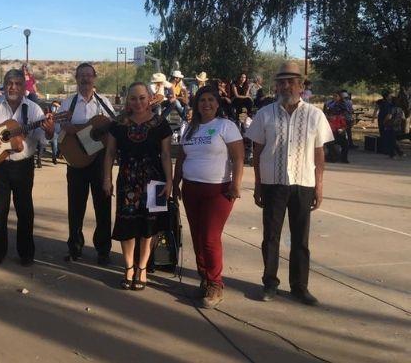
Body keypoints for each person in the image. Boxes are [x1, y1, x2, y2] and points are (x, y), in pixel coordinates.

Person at [246, 61, 334, 306]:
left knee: (300, 239)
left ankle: (299, 286)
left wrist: (319, 185)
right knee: (271, 237)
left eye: (291, 81)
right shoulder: (265, 114)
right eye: (281, 82)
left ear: (300, 85)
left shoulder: (315, 115)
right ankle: (270, 284)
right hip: (273, 183)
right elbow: (257, 149)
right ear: (276, 85)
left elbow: (319, 153)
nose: (286, 86)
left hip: (303, 182)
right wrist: (258, 184)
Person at [0, 69, 54, 266]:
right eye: (9, 83)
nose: (13, 87)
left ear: (24, 87)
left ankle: (26, 254)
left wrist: (49, 132)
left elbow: (43, 138)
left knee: (25, 210)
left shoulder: (32, 109)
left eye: (17, 83)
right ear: (4, 84)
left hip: (23, 166)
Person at [173, 86, 244, 308]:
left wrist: (236, 184)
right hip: (192, 189)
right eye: (202, 100)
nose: (206, 103)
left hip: (218, 191)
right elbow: (182, 159)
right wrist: (176, 184)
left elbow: (238, 158)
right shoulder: (190, 129)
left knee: (210, 238)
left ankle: (216, 283)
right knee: (197, 236)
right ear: (196, 104)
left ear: (217, 103)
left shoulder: (226, 126)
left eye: (211, 99)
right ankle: (204, 279)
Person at [102, 82, 173, 290]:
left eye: (142, 97)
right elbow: (110, 154)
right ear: (127, 101)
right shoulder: (118, 125)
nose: (138, 102)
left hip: (156, 180)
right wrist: (106, 178)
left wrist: (169, 181)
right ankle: (128, 267)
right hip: (127, 180)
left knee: (149, 227)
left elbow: (166, 155)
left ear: (150, 98)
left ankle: (142, 268)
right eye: (133, 98)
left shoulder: (161, 124)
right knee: (127, 226)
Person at [56, 63, 116, 264]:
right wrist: (67, 129)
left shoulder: (104, 103)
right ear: (76, 78)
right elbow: (58, 131)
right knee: (75, 206)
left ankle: (103, 250)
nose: (85, 79)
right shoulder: (67, 104)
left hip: (99, 161)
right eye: (81, 76)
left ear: (94, 78)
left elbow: (112, 132)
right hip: (76, 160)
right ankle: (75, 248)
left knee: (103, 206)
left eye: (88, 75)